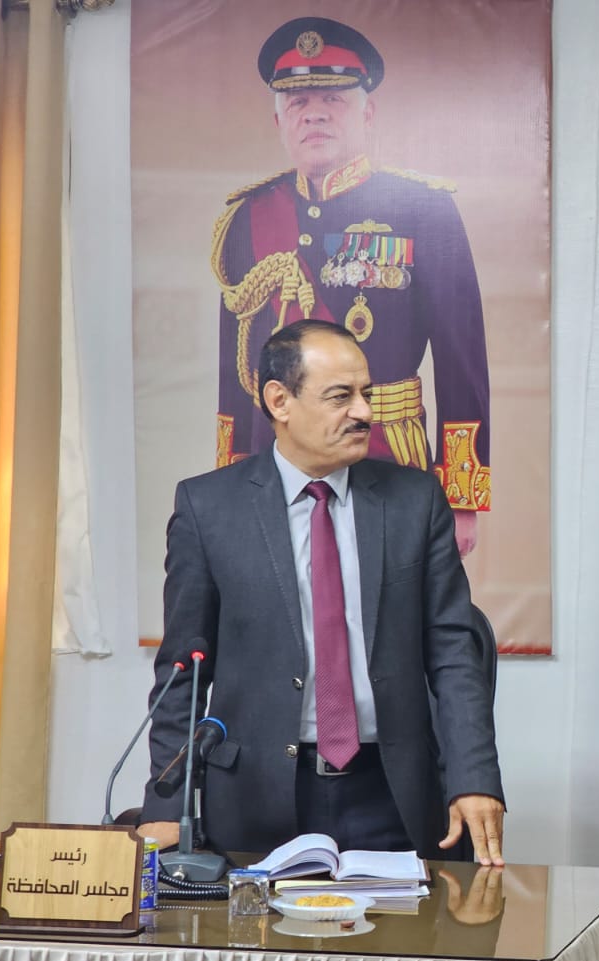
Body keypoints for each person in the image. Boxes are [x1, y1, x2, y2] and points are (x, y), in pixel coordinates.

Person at [139, 320, 505, 864]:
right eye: (340, 396)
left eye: (366, 393)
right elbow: (182, 673)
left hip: (394, 793)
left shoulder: (415, 501)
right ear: (279, 400)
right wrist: (167, 804)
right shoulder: (208, 509)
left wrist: (474, 778)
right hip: (255, 797)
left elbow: (453, 652)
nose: (364, 412)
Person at [212, 16, 491, 557]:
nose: (314, 112)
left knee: (393, 600)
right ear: (278, 120)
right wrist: (233, 474)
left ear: (367, 112)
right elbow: (236, 365)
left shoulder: (423, 208)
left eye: (333, 99)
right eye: (297, 101)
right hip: (276, 459)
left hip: (386, 451)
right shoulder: (248, 216)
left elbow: (462, 358)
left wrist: (461, 495)